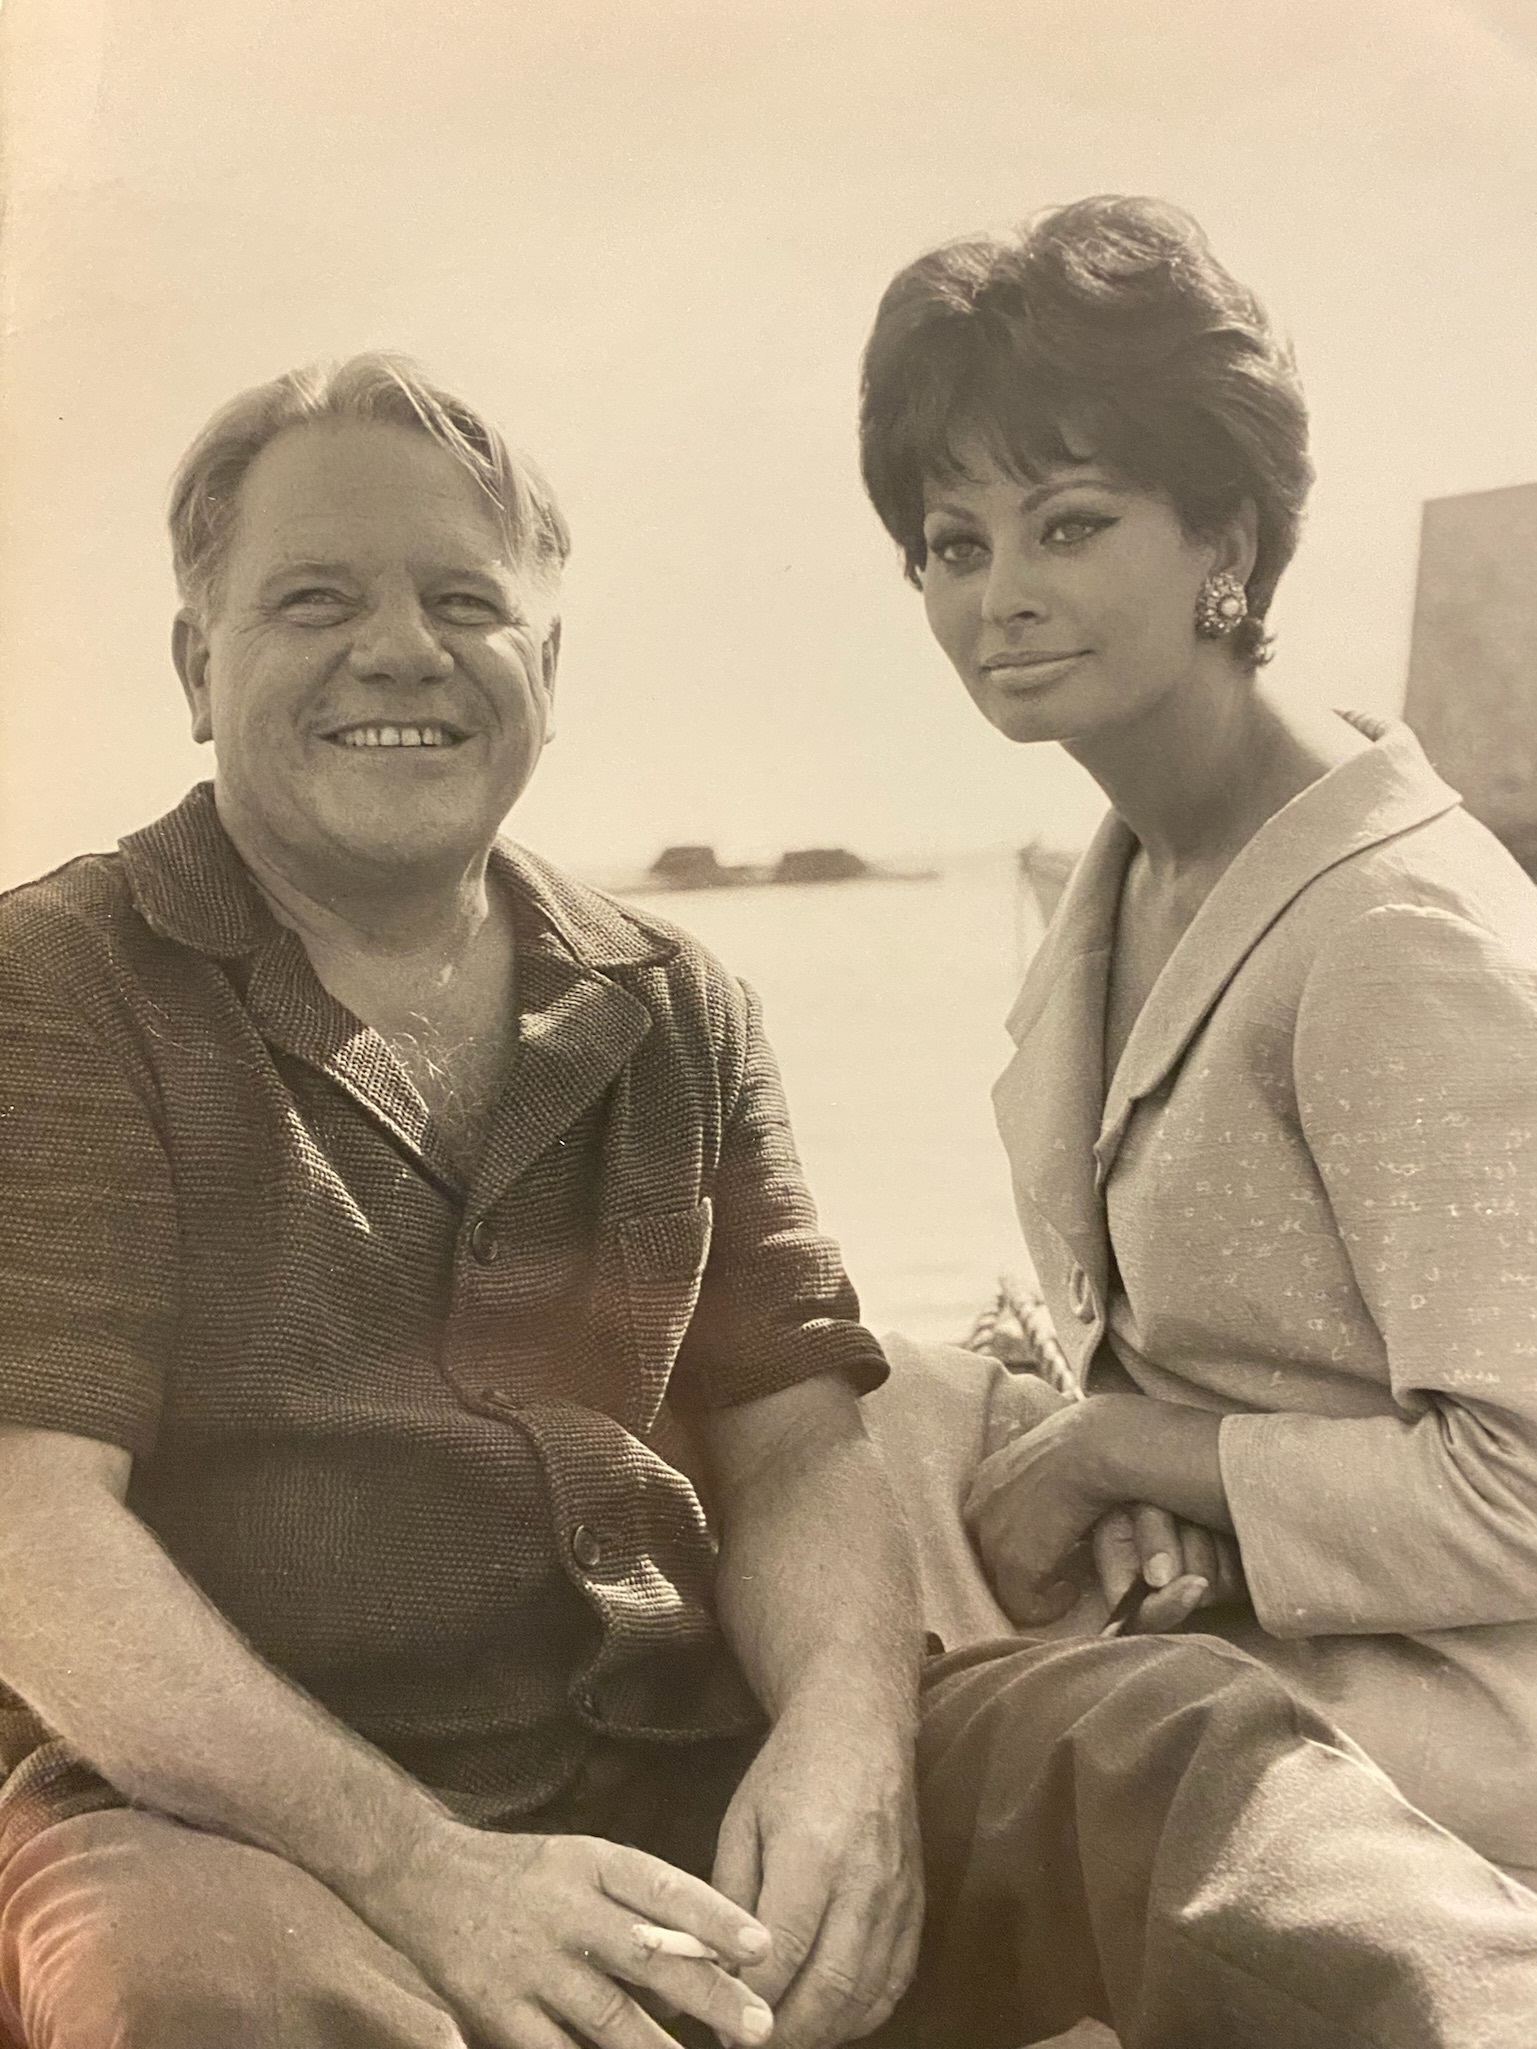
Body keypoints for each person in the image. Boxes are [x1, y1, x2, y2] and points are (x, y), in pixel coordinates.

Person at [0, 354, 1535, 2049]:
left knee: (1180, 1744)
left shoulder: (669, 1001)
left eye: (464, 600)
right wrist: (425, 1870)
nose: (401, 650)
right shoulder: (59, 986)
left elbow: (795, 1447)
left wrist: (847, 1748)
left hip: (678, 1775)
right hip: (230, 1834)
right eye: (313, 599)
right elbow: (32, 1531)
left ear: (549, 669)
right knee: (196, 1999)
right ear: (194, 666)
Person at [858, 193, 1537, 1885]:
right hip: (1234, 1594)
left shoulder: (1392, 932)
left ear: (1223, 542)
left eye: (1068, 525)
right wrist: (1153, 1480)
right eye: (955, 543)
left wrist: (1118, 1452)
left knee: (878, 1721)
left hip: (1452, 1699)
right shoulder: (1143, 872)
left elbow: (1522, 1489)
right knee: (810, 1417)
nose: (1000, 596)